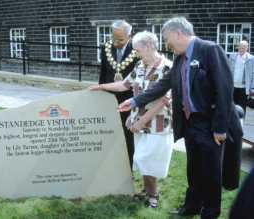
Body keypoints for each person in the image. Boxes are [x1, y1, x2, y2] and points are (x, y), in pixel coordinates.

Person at [118, 17, 243, 219]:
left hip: (210, 125)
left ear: (178, 33)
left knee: (211, 172)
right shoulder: (179, 57)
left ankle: (210, 213)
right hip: (190, 123)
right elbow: (162, 85)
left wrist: (220, 128)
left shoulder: (209, 50)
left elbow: (224, 89)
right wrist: (134, 102)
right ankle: (191, 207)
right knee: (193, 169)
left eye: (167, 39)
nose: (166, 44)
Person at [91, 31, 173, 208]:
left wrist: (142, 122)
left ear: (150, 46)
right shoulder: (140, 66)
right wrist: (100, 86)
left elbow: (165, 100)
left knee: (147, 161)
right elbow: (124, 85)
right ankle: (146, 191)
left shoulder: (167, 67)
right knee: (143, 160)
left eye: (138, 50)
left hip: (157, 124)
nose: (136, 54)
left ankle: (153, 196)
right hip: (138, 121)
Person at [99, 20, 139, 169]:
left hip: (129, 98)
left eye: (120, 39)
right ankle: (110, 163)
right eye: (114, 38)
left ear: (130, 35)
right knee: (109, 131)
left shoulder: (137, 49)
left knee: (127, 133)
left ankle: (128, 165)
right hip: (109, 97)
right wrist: (101, 93)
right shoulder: (106, 48)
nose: (116, 42)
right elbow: (103, 73)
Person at [229, 40, 254, 113]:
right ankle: (233, 123)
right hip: (233, 86)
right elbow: (228, 69)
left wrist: (252, 88)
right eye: (240, 47)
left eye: (243, 47)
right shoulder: (232, 56)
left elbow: (253, 73)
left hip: (244, 88)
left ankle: (241, 123)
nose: (241, 49)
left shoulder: (251, 58)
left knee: (242, 108)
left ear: (247, 48)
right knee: (232, 107)